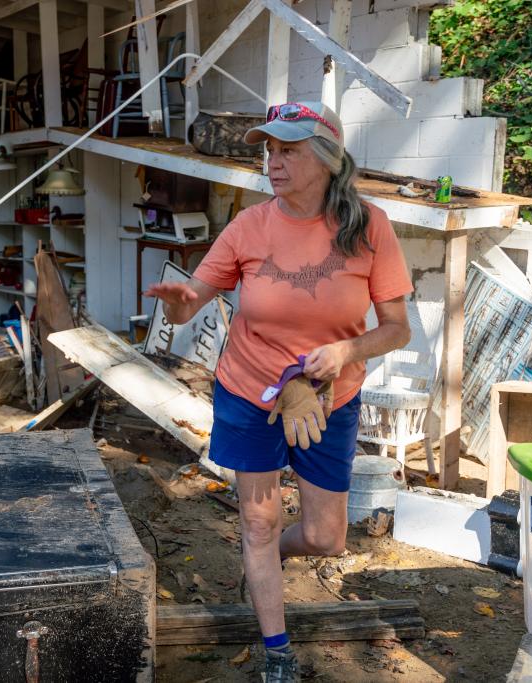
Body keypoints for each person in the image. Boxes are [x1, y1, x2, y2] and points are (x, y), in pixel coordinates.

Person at [146, 102, 413, 682]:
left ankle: (269, 558)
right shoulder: (249, 226)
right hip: (248, 391)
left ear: (326, 158)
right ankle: (277, 653)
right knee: (258, 522)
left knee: (324, 536)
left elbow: (397, 328)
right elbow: (196, 294)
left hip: (327, 397)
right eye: (268, 149)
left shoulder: (369, 228)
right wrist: (182, 301)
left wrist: (345, 352)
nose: (273, 160)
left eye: (288, 149)